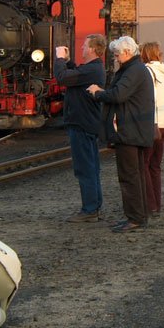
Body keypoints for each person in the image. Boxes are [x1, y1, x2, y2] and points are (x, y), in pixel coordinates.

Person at [87, 36, 154, 233]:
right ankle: (139, 216)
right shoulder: (136, 69)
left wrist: (98, 92)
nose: (115, 58)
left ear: (126, 53)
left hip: (129, 131)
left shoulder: (133, 71)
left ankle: (135, 219)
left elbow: (118, 94)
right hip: (134, 130)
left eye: (116, 54)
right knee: (137, 175)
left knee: (129, 176)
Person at [54, 34, 107, 223]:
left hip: (82, 124)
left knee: (85, 168)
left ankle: (90, 209)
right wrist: (68, 62)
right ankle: (94, 206)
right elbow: (73, 76)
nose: (82, 48)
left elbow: (62, 78)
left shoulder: (92, 69)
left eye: (85, 46)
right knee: (91, 167)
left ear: (92, 49)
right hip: (86, 122)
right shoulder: (92, 69)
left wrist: (59, 59)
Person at [140, 41, 164, 217]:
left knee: (144, 164)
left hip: (150, 125)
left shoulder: (145, 72)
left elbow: (149, 99)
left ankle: (149, 205)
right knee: (155, 166)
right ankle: (157, 205)